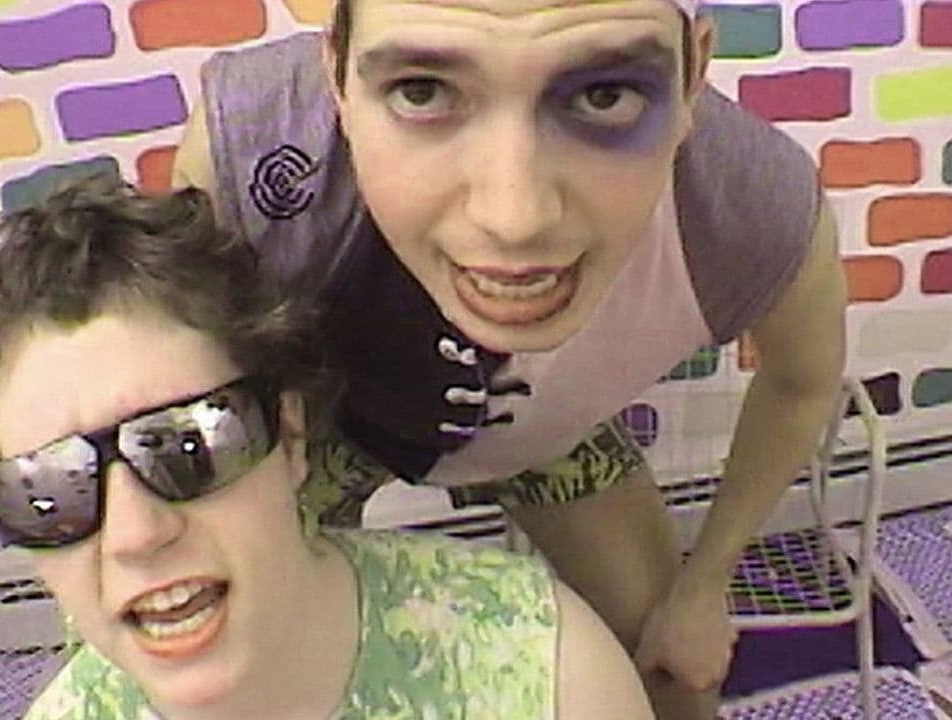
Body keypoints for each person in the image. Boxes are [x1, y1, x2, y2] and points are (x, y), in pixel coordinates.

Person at [173, 0, 848, 716]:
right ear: (335, 74)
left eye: (604, 94)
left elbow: (801, 383)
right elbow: (178, 381)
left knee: (673, 669)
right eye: (422, 90)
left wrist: (705, 587)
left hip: (553, 429)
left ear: (691, 80)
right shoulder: (249, 147)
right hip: (325, 420)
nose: (514, 220)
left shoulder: (749, 206)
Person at [0, 177, 654, 719]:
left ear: (291, 436)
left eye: (190, 445)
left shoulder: (545, 677)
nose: (135, 534)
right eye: (49, 490)